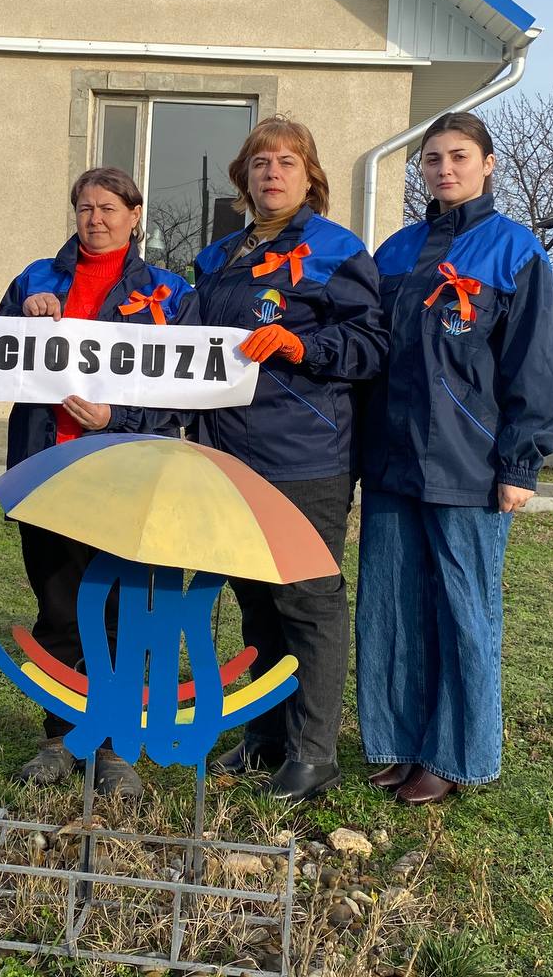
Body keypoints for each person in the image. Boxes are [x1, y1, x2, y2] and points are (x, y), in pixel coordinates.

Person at [356, 111, 553, 805]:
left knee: (462, 611)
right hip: (392, 461)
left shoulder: (514, 250)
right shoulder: (396, 250)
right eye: (432, 159)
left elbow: (534, 364)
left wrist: (520, 464)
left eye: (458, 156)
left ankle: (456, 755)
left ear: (487, 163)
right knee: (391, 607)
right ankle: (398, 742)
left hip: (468, 465)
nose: (444, 169)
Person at [194, 116, 387, 801]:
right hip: (229, 451)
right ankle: (266, 733)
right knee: (255, 598)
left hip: (305, 454)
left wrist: (304, 346)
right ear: (243, 179)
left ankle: (314, 754)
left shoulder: (337, 250)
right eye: (260, 162)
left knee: (306, 601)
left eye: (287, 162)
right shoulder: (218, 257)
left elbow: (371, 345)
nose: (272, 173)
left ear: (311, 178)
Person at [0, 166, 199, 798]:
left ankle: (114, 744)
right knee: (58, 608)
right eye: (85, 207)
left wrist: (120, 418)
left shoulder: (170, 292)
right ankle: (59, 737)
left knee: (121, 611)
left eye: (110, 208)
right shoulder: (37, 278)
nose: (96, 219)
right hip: (48, 468)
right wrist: (24, 318)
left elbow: (185, 392)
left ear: (135, 216)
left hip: (127, 473)